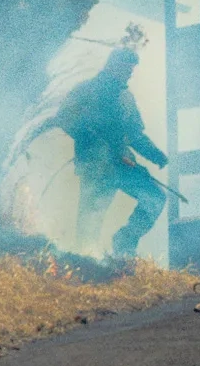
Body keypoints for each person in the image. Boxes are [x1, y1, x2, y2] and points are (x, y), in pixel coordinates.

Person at [48, 47, 169, 259]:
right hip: (95, 167)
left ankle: (125, 241)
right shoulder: (86, 90)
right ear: (113, 65)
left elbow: (135, 134)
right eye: (127, 67)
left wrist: (156, 155)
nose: (130, 73)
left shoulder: (125, 97)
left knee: (155, 197)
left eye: (132, 69)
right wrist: (92, 140)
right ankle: (86, 266)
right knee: (89, 222)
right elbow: (64, 118)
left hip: (122, 164)